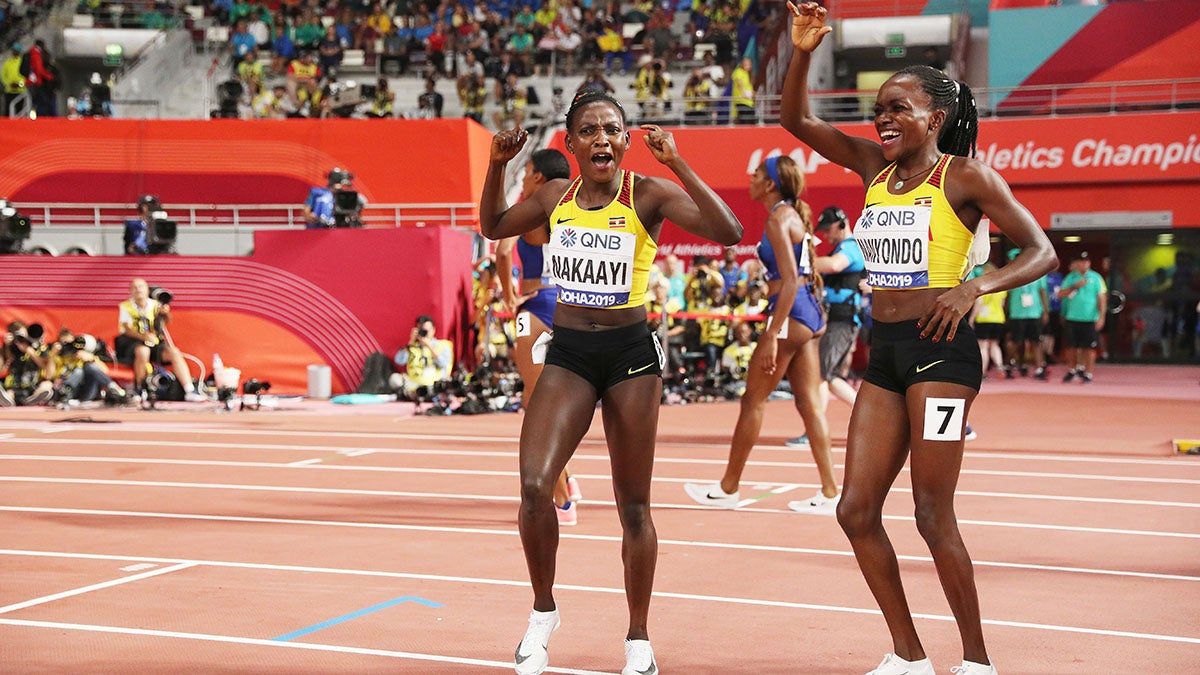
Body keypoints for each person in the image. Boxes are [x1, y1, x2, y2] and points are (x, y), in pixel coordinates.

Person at [780, 4, 1058, 674]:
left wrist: (976, 286)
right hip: (889, 351)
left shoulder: (963, 177)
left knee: (933, 513)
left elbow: (1041, 251)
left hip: (942, 350)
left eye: (898, 108)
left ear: (934, 118)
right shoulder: (872, 170)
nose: (883, 120)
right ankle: (907, 653)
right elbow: (796, 120)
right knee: (854, 508)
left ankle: (976, 660)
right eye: (879, 109)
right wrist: (801, 52)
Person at [479, 90, 742, 675]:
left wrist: (676, 162)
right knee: (533, 486)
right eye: (590, 130)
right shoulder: (553, 196)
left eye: (613, 130)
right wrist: (498, 163)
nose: (602, 138)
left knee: (635, 506)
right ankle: (543, 613)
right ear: (569, 144)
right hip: (570, 353)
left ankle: (639, 639)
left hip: (629, 357)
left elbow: (728, 230)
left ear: (626, 140)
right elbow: (493, 223)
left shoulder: (647, 193)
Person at [683, 155, 838, 513]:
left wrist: (769, 335)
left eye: (755, 174)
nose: (749, 178)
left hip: (790, 314)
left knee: (753, 399)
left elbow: (788, 282)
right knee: (810, 406)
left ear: (769, 184)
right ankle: (831, 492)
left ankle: (728, 488)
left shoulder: (777, 218)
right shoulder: (792, 216)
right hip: (806, 314)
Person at [494, 148, 582, 527]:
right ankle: (569, 481)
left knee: (537, 410)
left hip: (535, 309)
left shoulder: (528, 208)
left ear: (540, 179)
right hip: (569, 306)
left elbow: (501, 251)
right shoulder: (578, 208)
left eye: (528, 171)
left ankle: (562, 502)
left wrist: (509, 294)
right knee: (550, 402)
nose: (525, 177)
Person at [787, 204, 867, 448]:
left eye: (828, 229)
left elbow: (834, 265)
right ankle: (871, 417)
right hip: (836, 320)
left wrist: (802, 262)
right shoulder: (841, 247)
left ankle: (813, 430)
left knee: (820, 374)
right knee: (830, 377)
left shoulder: (851, 248)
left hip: (843, 321)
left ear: (841, 224)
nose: (825, 234)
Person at [114, 278, 204, 402]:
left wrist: (165, 313)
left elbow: (165, 322)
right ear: (131, 291)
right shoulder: (126, 306)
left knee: (174, 352)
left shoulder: (155, 305)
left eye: (141, 287)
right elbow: (127, 329)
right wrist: (143, 336)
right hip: (132, 342)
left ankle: (189, 389)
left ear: (147, 290)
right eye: (135, 287)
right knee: (143, 351)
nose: (138, 289)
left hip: (154, 342)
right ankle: (140, 389)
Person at [1057, 251, 1106, 383]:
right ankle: (1072, 370)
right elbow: (1060, 294)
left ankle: (1088, 373)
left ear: (1089, 263)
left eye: (1085, 261)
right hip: (1072, 317)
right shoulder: (1071, 277)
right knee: (1071, 346)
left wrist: (1101, 317)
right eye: (1080, 261)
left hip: (1089, 318)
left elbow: (1101, 298)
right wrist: (1074, 286)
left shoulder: (1096, 278)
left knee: (1089, 347)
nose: (1082, 264)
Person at [1002, 247, 1051, 379]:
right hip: (1017, 313)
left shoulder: (1036, 271)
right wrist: (1005, 312)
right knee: (1016, 341)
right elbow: (1007, 296)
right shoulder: (1010, 274)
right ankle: (1008, 364)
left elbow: (1042, 292)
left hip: (1034, 312)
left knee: (1036, 341)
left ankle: (1040, 368)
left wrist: (1045, 311)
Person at [48, 327, 126, 404]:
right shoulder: (57, 357)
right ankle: (64, 394)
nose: (69, 346)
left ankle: (114, 387)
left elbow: (105, 371)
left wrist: (91, 358)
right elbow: (49, 376)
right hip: (67, 390)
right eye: (65, 344)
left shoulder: (81, 353)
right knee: (78, 371)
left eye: (71, 343)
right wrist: (52, 355)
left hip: (87, 391)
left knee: (89, 366)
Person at [391, 314, 454, 398]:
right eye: (422, 331)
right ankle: (413, 394)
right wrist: (411, 341)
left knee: (449, 383)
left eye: (426, 331)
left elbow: (444, 363)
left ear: (433, 330)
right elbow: (399, 361)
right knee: (394, 378)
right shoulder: (413, 346)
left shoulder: (442, 345)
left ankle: (419, 395)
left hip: (435, 384)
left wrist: (430, 347)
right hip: (415, 383)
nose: (424, 334)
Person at [971, 262, 1008, 378]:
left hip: (984, 319)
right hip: (998, 318)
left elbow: (979, 303)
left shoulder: (982, 286)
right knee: (995, 345)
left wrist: (972, 318)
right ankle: (1000, 365)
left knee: (983, 346)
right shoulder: (1001, 287)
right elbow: (1002, 304)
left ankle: (983, 372)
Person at [1, 43, 25, 118]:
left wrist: (20, 84)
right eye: (14, 50)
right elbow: (3, 76)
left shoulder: (23, 62)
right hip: (9, 91)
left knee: (20, 111)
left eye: (16, 51)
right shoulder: (8, 63)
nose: (15, 52)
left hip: (20, 91)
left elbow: (26, 76)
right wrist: (9, 84)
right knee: (8, 110)